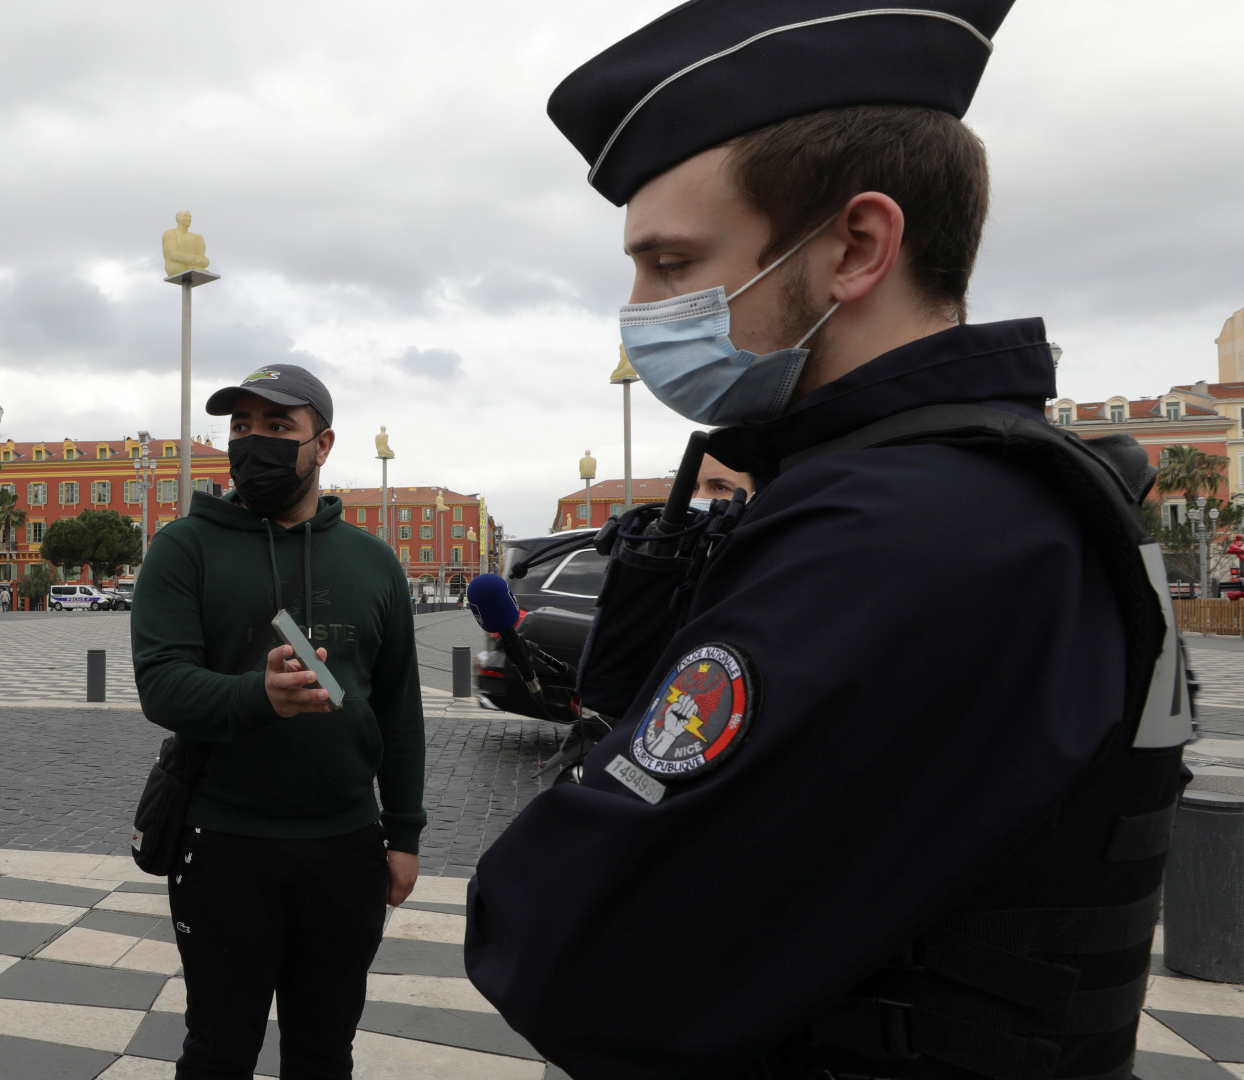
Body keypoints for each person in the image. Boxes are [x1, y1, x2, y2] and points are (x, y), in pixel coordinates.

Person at [466, 3, 1190, 1079]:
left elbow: (568, 948)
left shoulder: (898, 529)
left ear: (858, 246)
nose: (638, 310)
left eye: (670, 264)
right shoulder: (1019, 486)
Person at [131, 364, 427, 1079]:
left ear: (322, 445)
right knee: (218, 1051)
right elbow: (162, 687)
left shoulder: (374, 563)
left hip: (347, 848)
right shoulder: (183, 548)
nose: (251, 441)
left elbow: (398, 705)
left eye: (276, 427)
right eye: (241, 427)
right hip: (226, 844)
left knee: (325, 1052)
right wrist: (256, 697)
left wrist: (405, 833)